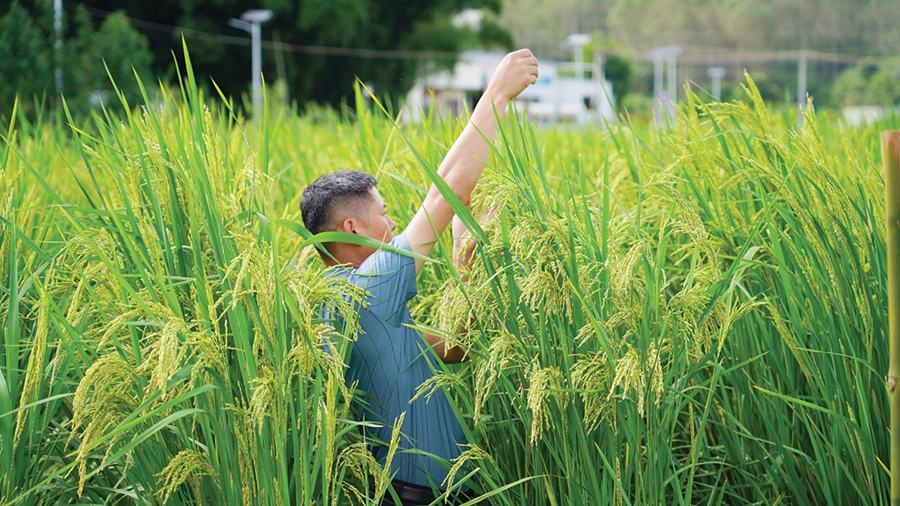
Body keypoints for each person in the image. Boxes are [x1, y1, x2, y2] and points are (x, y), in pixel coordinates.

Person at [300, 49, 539, 505]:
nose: (392, 225)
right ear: (351, 228)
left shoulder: (331, 302)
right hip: (416, 495)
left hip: (423, 491)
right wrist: (496, 95)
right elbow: (444, 190)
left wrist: (464, 265)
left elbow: (454, 349)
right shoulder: (366, 289)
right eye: (384, 215)